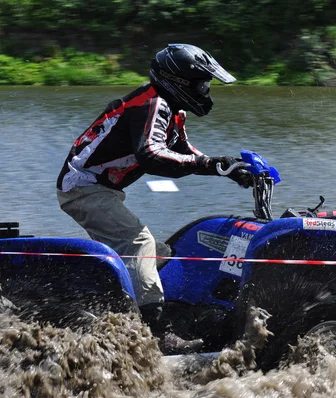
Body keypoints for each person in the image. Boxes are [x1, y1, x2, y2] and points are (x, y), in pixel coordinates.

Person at [56, 43, 251, 353]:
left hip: (98, 188)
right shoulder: (152, 104)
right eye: (201, 84)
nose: (205, 90)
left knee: (157, 251)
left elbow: (185, 153)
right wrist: (207, 164)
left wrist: (226, 169)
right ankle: (156, 333)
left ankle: (129, 306)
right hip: (83, 187)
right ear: (179, 82)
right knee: (139, 244)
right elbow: (151, 155)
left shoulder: (169, 108)